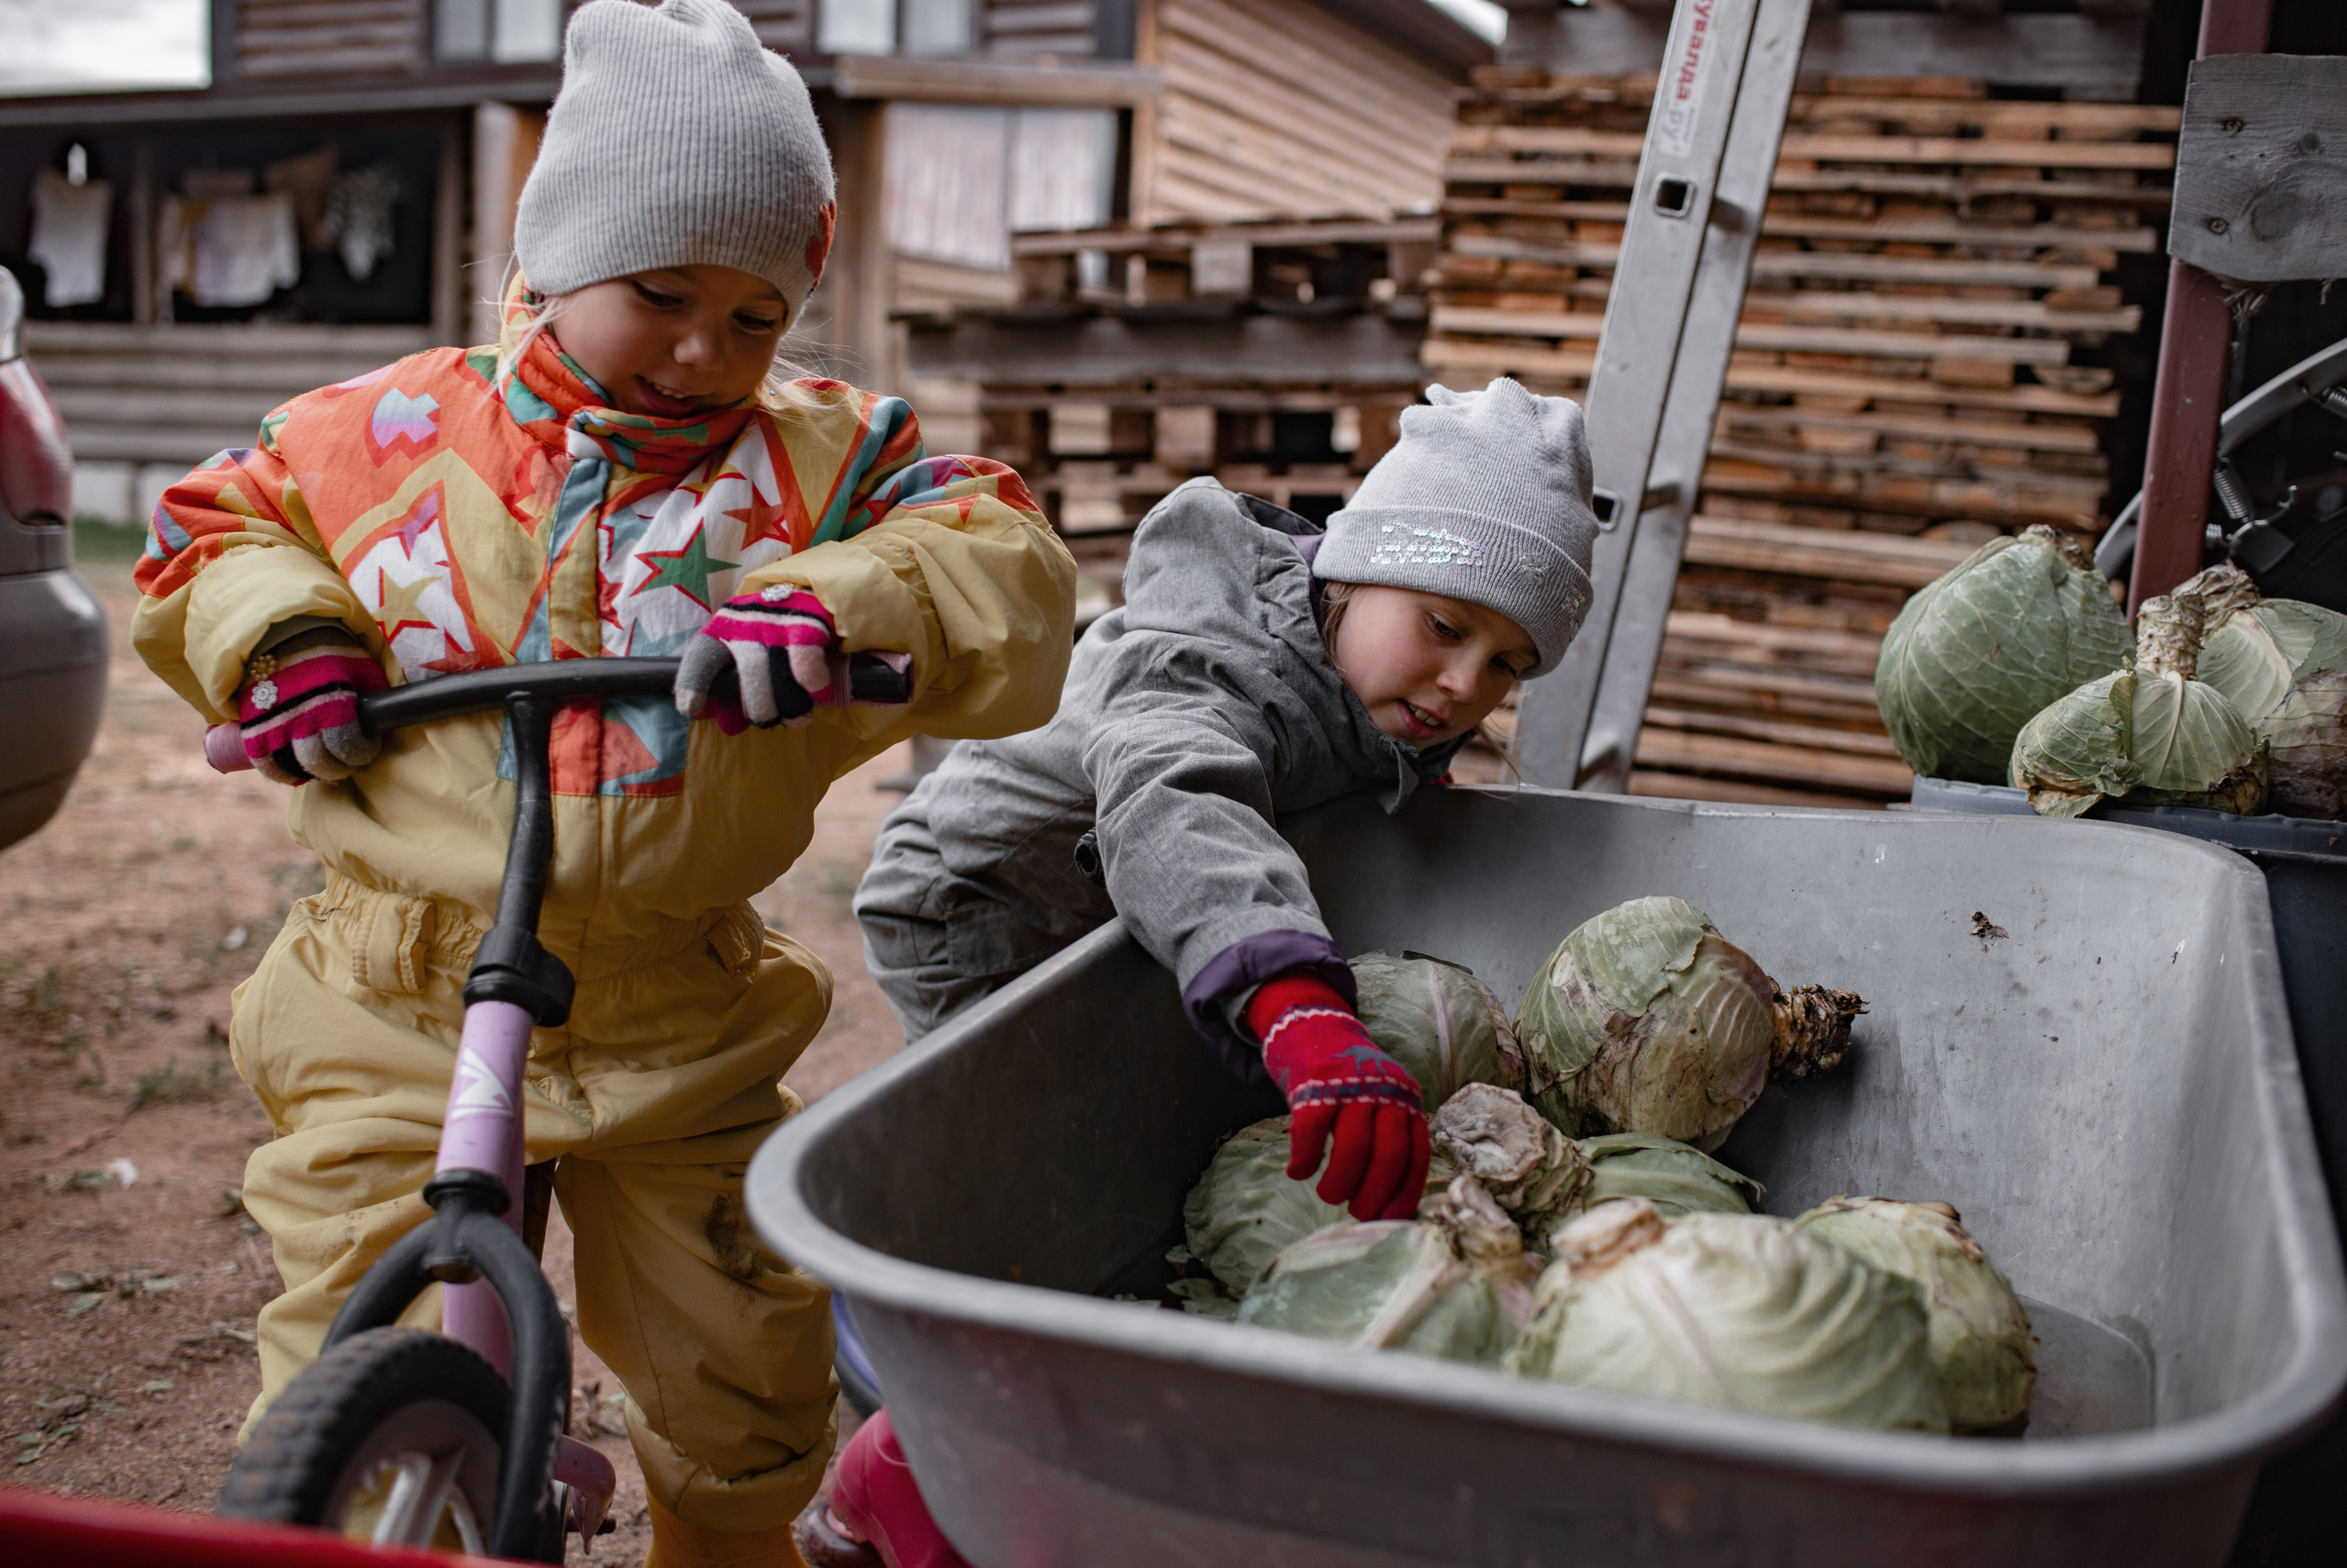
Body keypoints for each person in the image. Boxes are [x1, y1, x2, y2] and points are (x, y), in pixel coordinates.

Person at [128, 4, 1075, 1564]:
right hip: (395, 987)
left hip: (674, 1003)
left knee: (737, 1373)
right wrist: (280, 635)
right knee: (347, 1349)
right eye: (661, 295)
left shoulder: (827, 465)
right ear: (557, 255)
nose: (708, 349)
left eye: (759, 314)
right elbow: (205, 535)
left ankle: (726, 1537)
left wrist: (843, 598)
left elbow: (1008, 562)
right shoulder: (381, 437)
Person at [820, 377, 1597, 1568]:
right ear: (1348, 567)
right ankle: (902, 1443)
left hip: (1146, 928)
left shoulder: (1368, 679)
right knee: (1058, 1199)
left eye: (1505, 664)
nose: (1462, 686)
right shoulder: (1203, 646)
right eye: (1444, 627)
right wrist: (1294, 1004)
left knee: (1156, 1162)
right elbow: (1180, 802)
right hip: (995, 910)